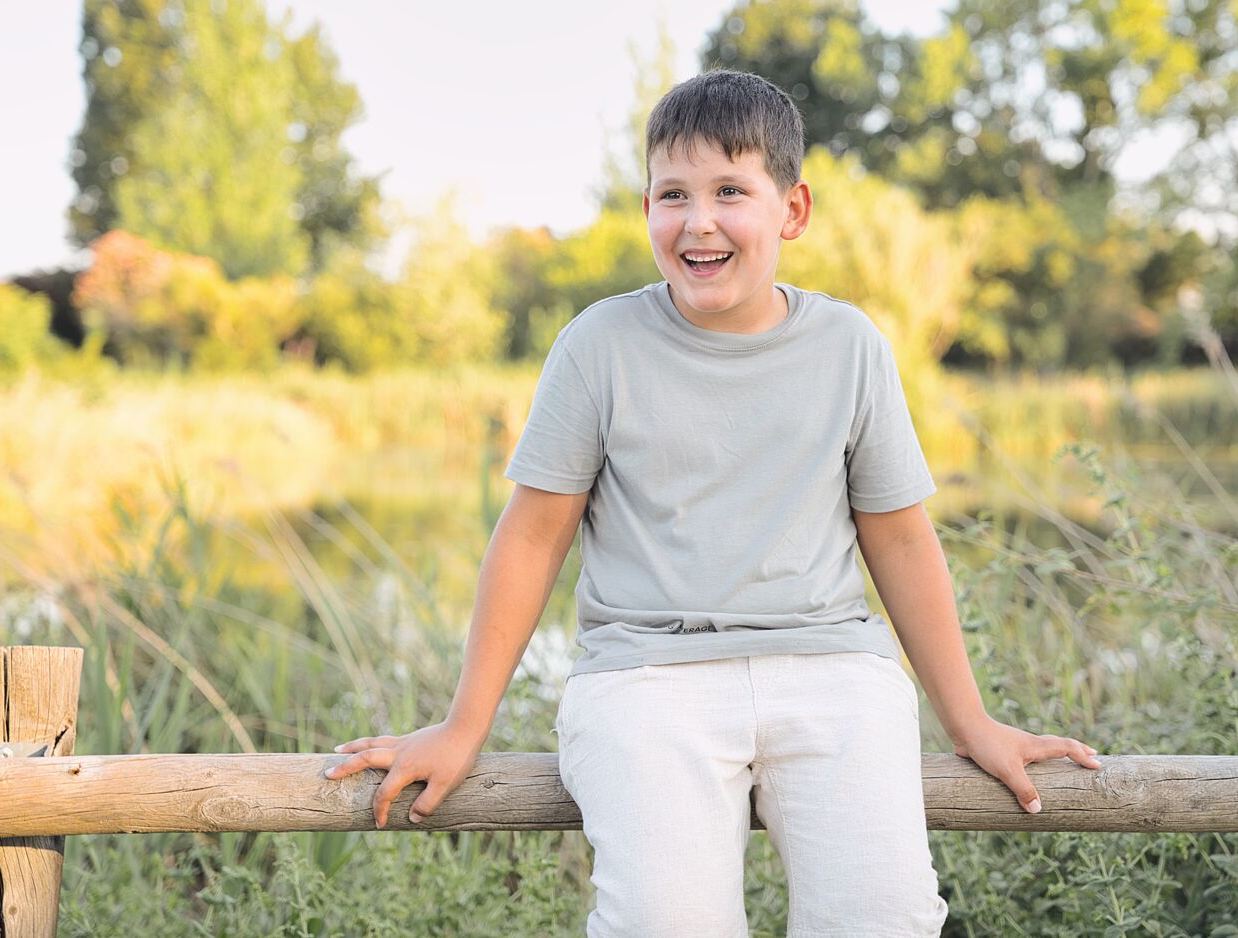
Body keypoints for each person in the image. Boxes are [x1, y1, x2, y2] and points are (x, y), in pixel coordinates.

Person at [324, 69, 1101, 936]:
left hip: (833, 673)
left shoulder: (849, 346)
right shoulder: (598, 346)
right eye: (672, 194)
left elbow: (903, 541)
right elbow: (533, 538)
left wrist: (971, 718)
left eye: (730, 190)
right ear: (647, 207)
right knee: (666, 922)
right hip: (647, 681)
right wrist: (465, 724)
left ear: (791, 210)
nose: (698, 221)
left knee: (882, 918)